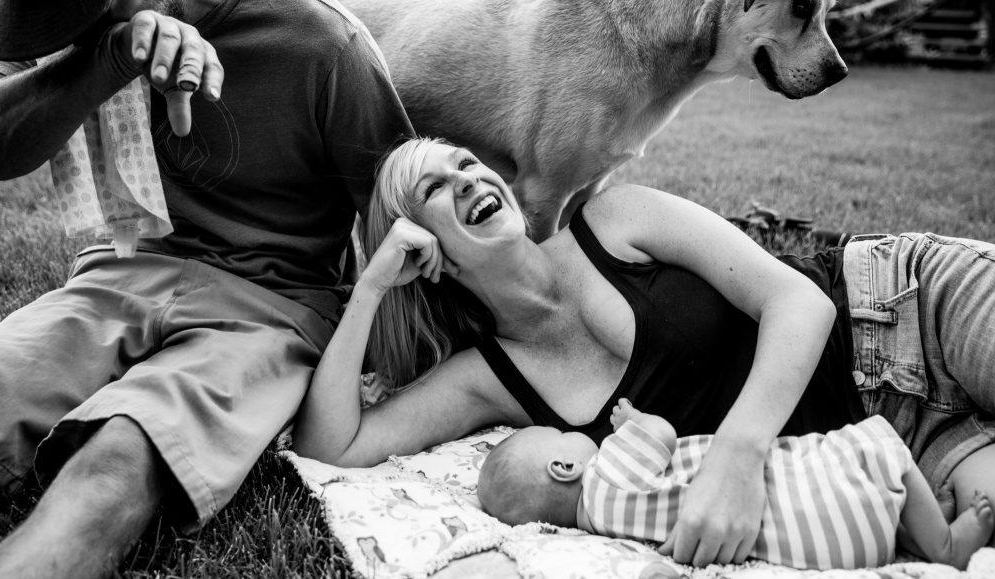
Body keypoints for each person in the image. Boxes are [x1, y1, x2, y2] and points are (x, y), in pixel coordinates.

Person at [294, 137, 995, 568]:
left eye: (467, 163)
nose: (468, 180)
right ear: (426, 252)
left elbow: (800, 302)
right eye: (436, 189)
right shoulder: (487, 378)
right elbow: (331, 446)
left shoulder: (616, 221)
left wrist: (736, 457)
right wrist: (373, 284)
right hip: (898, 445)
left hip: (901, 305)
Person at [0, 0, 413, 577]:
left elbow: (401, 219)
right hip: (116, 274)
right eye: (51, 18)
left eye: (87, 10)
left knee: (122, 452)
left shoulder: (321, 40)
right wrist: (105, 59)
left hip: (269, 303)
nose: (70, 32)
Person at [477, 398, 994, 570]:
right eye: (560, 436)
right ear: (563, 468)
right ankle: (943, 545)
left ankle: (910, 530)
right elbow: (661, 434)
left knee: (849, 490)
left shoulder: (602, 527)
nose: (573, 434)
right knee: (875, 444)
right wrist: (632, 421)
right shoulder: (605, 475)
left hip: (831, 546)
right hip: (824, 503)